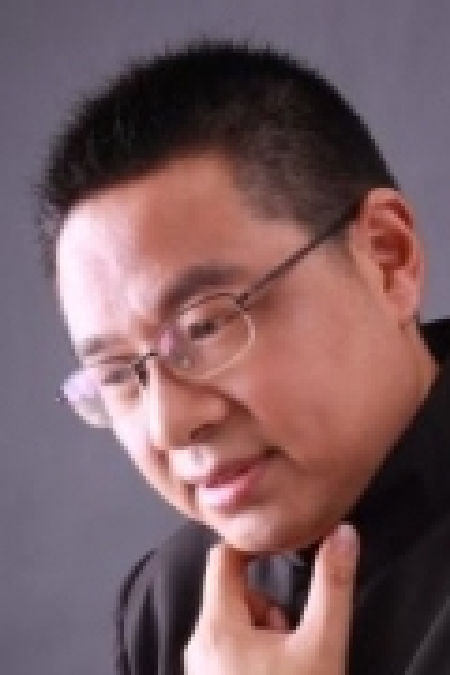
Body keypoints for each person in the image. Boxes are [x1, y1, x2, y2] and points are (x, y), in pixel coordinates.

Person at [37, 41, 450, 674]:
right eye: (117, 375)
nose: (169, 425)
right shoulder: (170, 603)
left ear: (387, 257)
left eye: (204, 327)